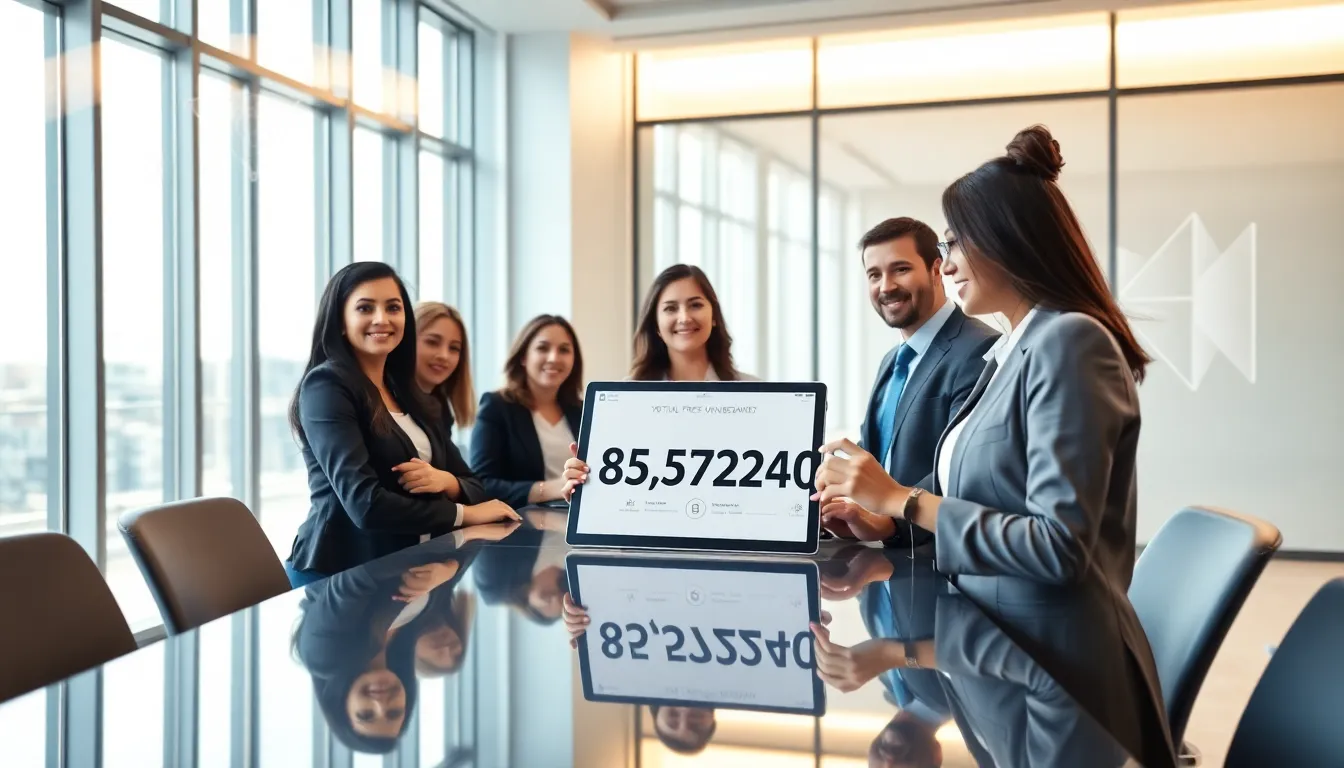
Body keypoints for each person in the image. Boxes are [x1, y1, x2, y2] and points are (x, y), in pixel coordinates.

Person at [811, 126, 1165, 755]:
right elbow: (975, 491)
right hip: (999, 653)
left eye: (953, 244)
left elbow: (1059, 549)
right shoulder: (1013, 346)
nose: (946, 265)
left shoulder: (1069, 341)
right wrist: (881, 517)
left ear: (1007, 241)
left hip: (1058, 678)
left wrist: (899, 501)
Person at [284, 262, 519, 586]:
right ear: (341, 321)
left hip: (402, 570)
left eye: (393, 307)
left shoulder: (411, 395)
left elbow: (474, 485)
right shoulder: (327, 385)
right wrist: (463, 514)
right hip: (337, 576)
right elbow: (365, 505)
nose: (382, 319)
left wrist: (447, 481)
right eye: (365, 307)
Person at [822, 217, 998, 548]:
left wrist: (889, 523)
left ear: (936, 269)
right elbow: (878, 456)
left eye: (900, 269)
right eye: (874, 275)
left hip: (942, 560)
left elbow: (965, 469)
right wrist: (842, 502)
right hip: (888, 564)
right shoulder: (893, 360)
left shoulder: (982, 350)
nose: (885, 286)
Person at [470, 314, 584, 508]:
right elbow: (481, 484)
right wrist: (550, 488)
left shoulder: (583, 410)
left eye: (564, 350)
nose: (554, 358)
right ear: (524, 356)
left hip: (580, 518)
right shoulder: (497, 407)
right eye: (542, 348)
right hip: (525, 525)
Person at [629, 263, 757, 382]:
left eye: (695, 305)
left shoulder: (753, 391)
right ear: (655, 324)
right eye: (671, 308)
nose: (684, 318)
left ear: (714, 316)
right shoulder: (627, 395)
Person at [413, 302, 475, 442]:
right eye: (432, 342)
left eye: (454, 348)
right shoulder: (383, 401)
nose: (444, 355)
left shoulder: (440, 408)